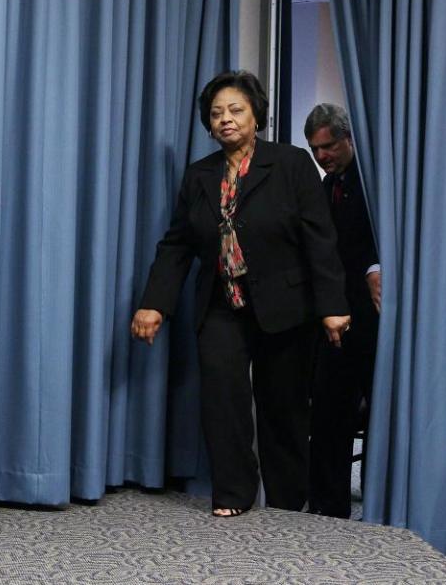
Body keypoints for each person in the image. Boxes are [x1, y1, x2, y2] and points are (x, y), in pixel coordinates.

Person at [130, 71, 351, 517]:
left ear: (256, 116)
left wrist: (332, 306)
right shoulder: (199, 176)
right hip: (221, 304)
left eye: (235, 110)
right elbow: (177, 244)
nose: (225, 120)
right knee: (222, 399)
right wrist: (154, 303)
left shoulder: (290, 164)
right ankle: (233, 493)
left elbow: (319, 238)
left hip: (286, 306)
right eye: (216, 114)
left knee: (283, 407)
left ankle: (288, 498)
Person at [304, 103, 380, 519]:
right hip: (331, 319)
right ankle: (328, 506)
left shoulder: (376, 184)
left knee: (379, 414)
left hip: (372, 315)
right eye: (315, 150)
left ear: (349, 139)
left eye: (328, 146)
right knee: (329, 414)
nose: (322, 157)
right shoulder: (322, 189)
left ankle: (379, 503)